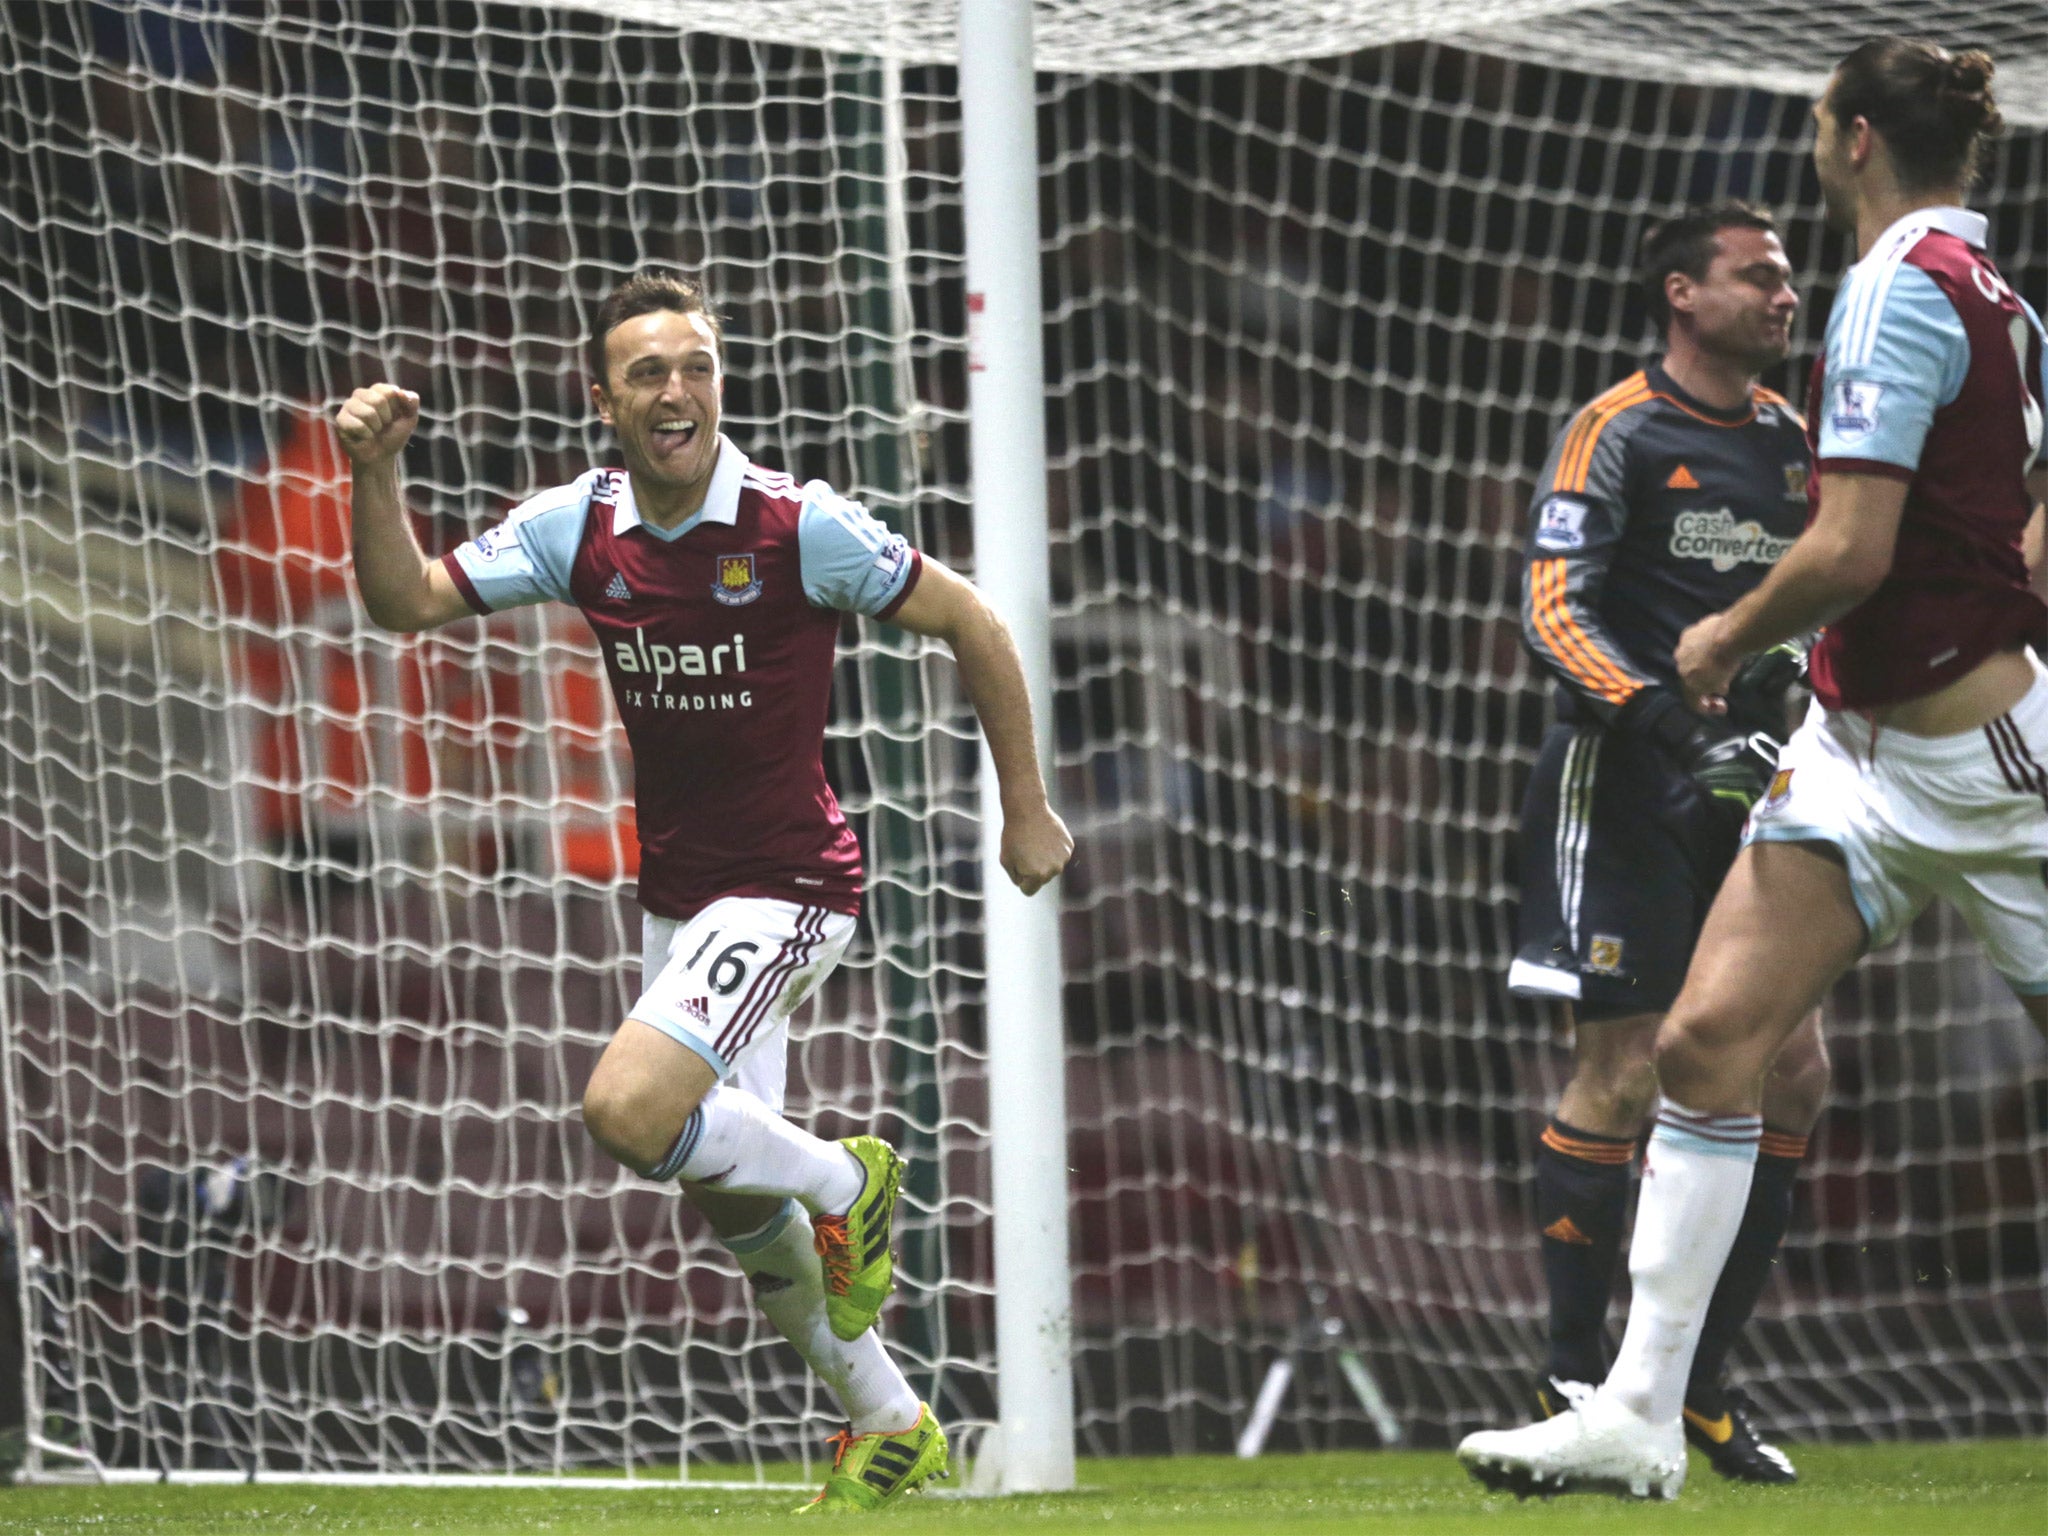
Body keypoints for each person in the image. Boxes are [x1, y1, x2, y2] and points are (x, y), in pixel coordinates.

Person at [335, 268, 1074, 1514]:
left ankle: (853, 1182)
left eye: (695, 368)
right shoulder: (580, 525)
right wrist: (372, 473)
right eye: (647, 374)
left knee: (625, 1109)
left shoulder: (800, 525)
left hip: (792, 883)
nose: (677, 392)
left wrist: (1026, 807)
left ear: (718, 384)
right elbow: (404, 600)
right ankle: (890, 1426)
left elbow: (975, 624)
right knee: (731, 1196)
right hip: (678, 895)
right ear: (604, 402)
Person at [1461, 38, 2047, 1501]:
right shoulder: (1998, 303)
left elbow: (1846, 548)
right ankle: (1638, 1410)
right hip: (1851, 756)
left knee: (1730, 1057)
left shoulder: (1892, 297)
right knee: (1707, 1047)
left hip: (1986, 765)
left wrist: (1725, 635)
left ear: (1849, 139)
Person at [1507, 201, 1824, 1484]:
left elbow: (1827, 585)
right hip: (1623, 783)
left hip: (1755, 785)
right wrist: (1652, 716)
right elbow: (1549, 605)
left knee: (1791, 1072)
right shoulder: (1616, 428)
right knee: (1626, 1071)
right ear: (1681, 293)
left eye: (1788, 279)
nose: (1783, 296)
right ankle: (1575, 1373)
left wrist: (1787, 685)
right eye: (1757, 277)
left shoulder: (1795, 442)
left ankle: (1696, 1385)